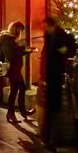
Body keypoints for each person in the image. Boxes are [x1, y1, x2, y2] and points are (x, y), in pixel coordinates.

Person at [48, 15, 77, 143]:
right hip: (57, 74)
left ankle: (53, 137)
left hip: (58, 74)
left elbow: (67, 51)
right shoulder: (55, 36)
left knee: (56, 106)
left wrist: (61, 51)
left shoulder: (59, 37)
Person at [0, 21, 28, 125]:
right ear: (16, 30)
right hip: (13, 69)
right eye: (20, 30)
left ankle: (22, 110)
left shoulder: (9, 39)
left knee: (22, 87)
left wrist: (24, 50)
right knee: (14, 90)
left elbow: (13, 52)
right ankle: (11, 113)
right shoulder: (8, 40)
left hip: (15, 68)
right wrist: (23, 49)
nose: (21, 33)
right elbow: (11, 55)